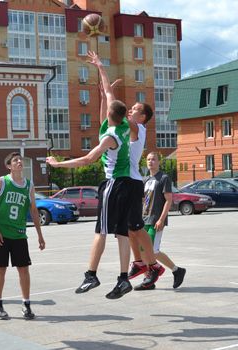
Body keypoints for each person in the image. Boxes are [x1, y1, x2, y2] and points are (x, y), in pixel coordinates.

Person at [46, 52, 134, 300]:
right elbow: (108, 94)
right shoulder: (123, 126)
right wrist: (100, 66)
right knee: (122, 233)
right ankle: (124, 279)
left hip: (114, 184)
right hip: (126, 184)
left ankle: (91, 274)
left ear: (109, 115)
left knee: (101, 231)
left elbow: (87, 159)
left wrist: (58, 164)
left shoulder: (110, 137)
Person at [92, 51, 165, 290]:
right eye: (130, 109)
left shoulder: (137, 128)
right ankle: (141, 263)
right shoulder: (125, 127)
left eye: (135, 109)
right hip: (128, 182)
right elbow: (109, 108)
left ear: (142, 116)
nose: (131, 110)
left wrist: (103, 70)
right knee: (131, 228)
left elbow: (114, 106)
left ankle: (151, 265)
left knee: (133, 227)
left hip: (129, 182)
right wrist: (104, 85)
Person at [0, 152, 45, 320]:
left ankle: (26, 304)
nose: (19, 162)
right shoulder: (1, 182)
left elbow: (34, 211)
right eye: (15, 160)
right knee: (0, 270)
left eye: (20, 160)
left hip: (19, 234)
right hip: (1, 234)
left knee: (24, 270)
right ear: (9, 166)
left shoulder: (29, 185)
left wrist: (40, 235)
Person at [131, 152, 186, 290]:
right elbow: (143, 201)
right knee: (142, 250)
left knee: (152, 251)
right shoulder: (145, 180)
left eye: (153, 159)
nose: (151, 162)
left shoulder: (164, 178)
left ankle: (177, 270)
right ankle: (148, 279)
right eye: (148, 159)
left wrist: (161, 219)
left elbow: (169, 200)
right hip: (144, 220)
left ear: (159, 162)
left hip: (156, 220)